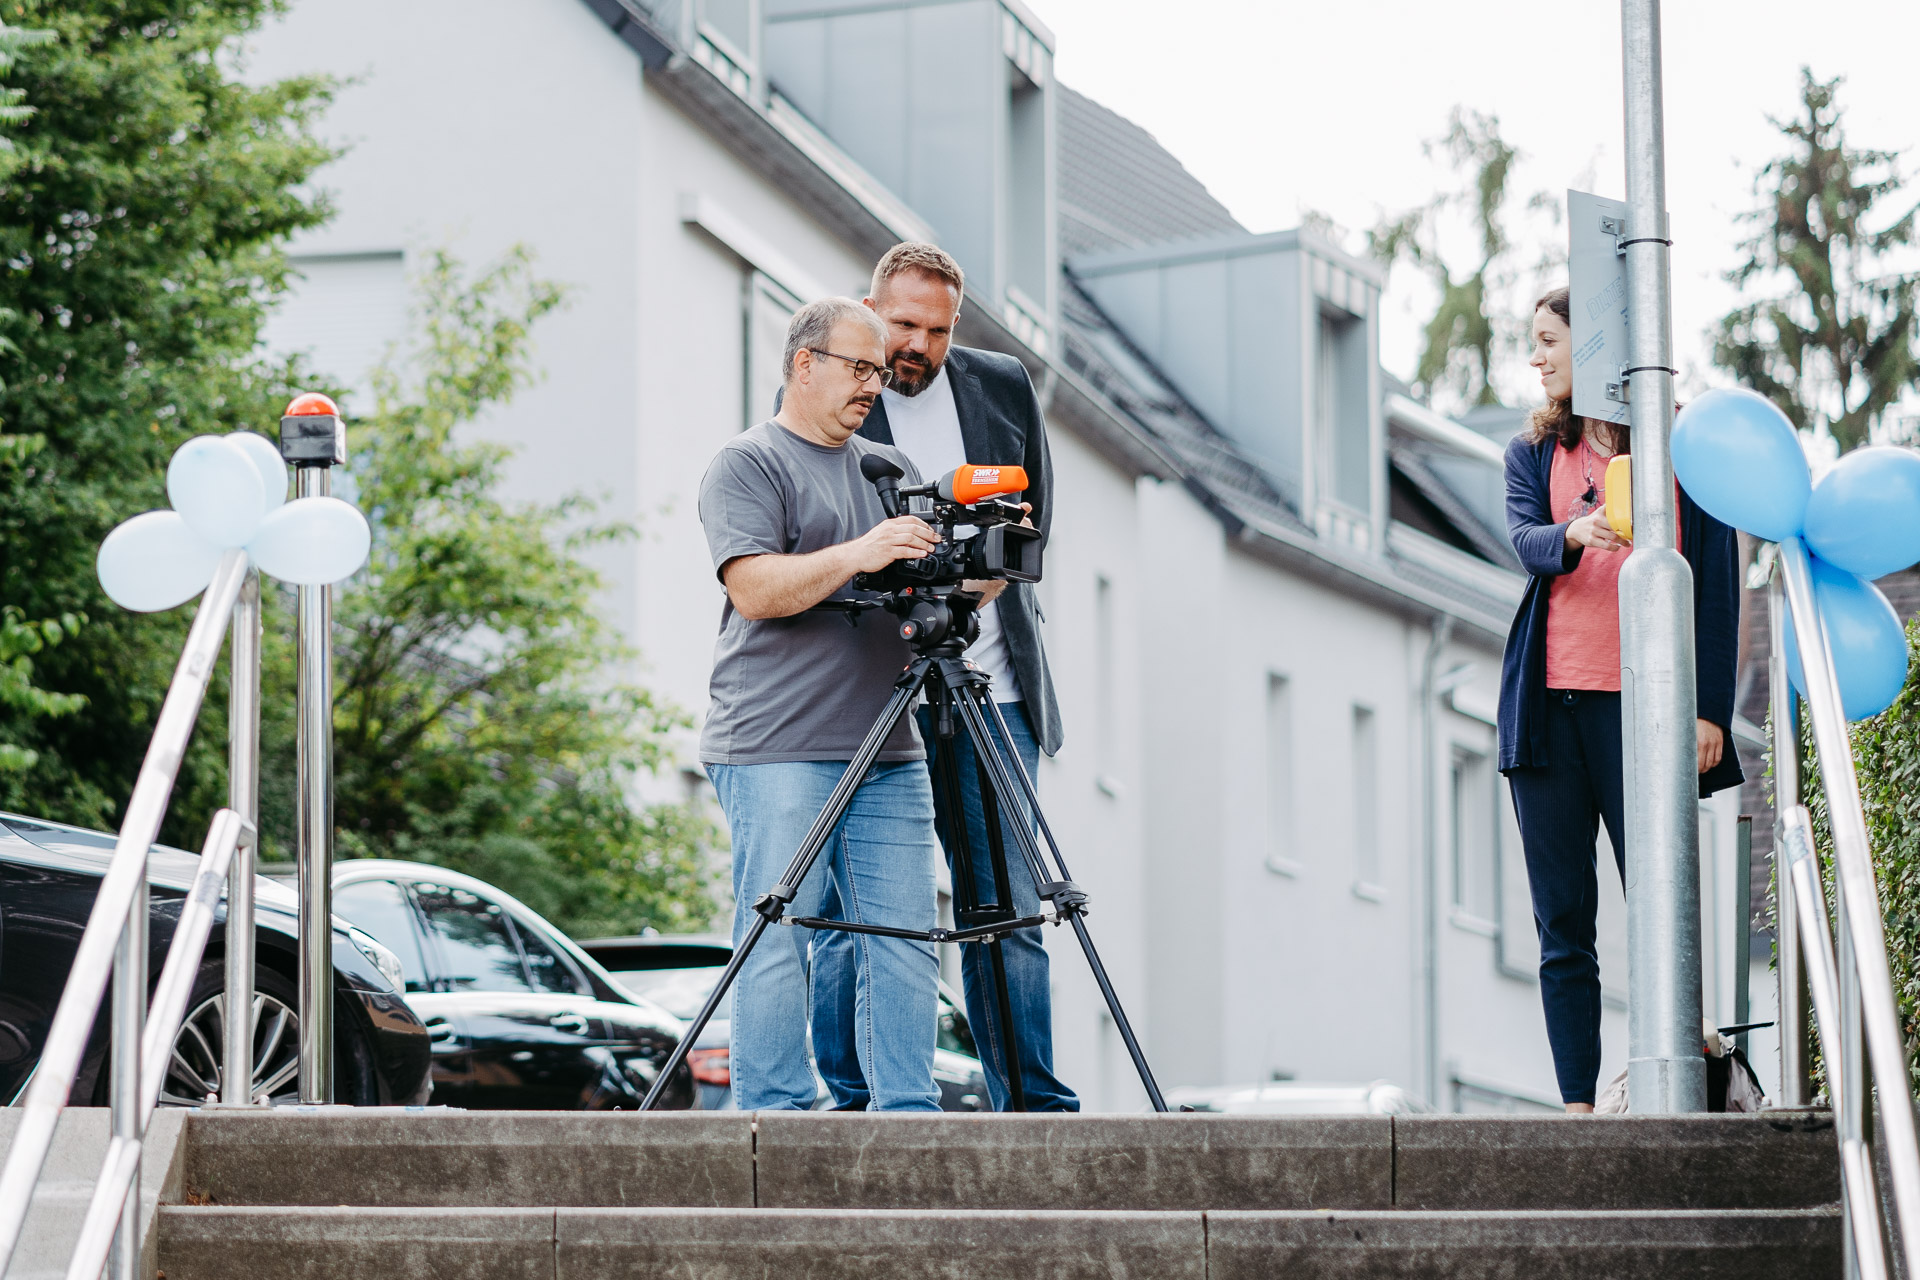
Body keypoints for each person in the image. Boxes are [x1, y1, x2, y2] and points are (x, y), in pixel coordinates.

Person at [809, 241, 1077, 1112]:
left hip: (992, 687)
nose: (918, 346)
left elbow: (1033, 529)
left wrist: (983, 576)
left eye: (938, 330)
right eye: (903, 326)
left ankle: (1032, 1106)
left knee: (1007, 905)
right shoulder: (834, 394)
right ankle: (853, 1099)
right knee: (864, 910)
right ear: (871, 310)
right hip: (875, 688)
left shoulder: (1002, 385)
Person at [1498, 285, 1744, 1113]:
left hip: (1641, 716)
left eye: (1547, 341)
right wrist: (1571, 534)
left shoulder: (1678, 452)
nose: (1536, 358)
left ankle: (1677, 1069)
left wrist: (1709, 707)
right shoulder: (1531, 456)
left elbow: (1715, 581)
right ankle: (1576, 1106)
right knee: (1564, 923)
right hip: (1549, 717)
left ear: (1592, 349)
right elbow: (1526, 541)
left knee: (1662, 908)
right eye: (1533, 343)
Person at [698, 296, 945, 1112]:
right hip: (776, 741)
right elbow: (758, 589)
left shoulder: (892, 471)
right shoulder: (748, 462)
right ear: (805, 363)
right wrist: (864, 551)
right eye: (859, 367)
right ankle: (774, 1118)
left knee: (906, 938)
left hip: (887, 745)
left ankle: (909, 1113)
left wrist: (979, 565)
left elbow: (930, 598)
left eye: (880, 372)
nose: (875, 385)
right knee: (780, 931)